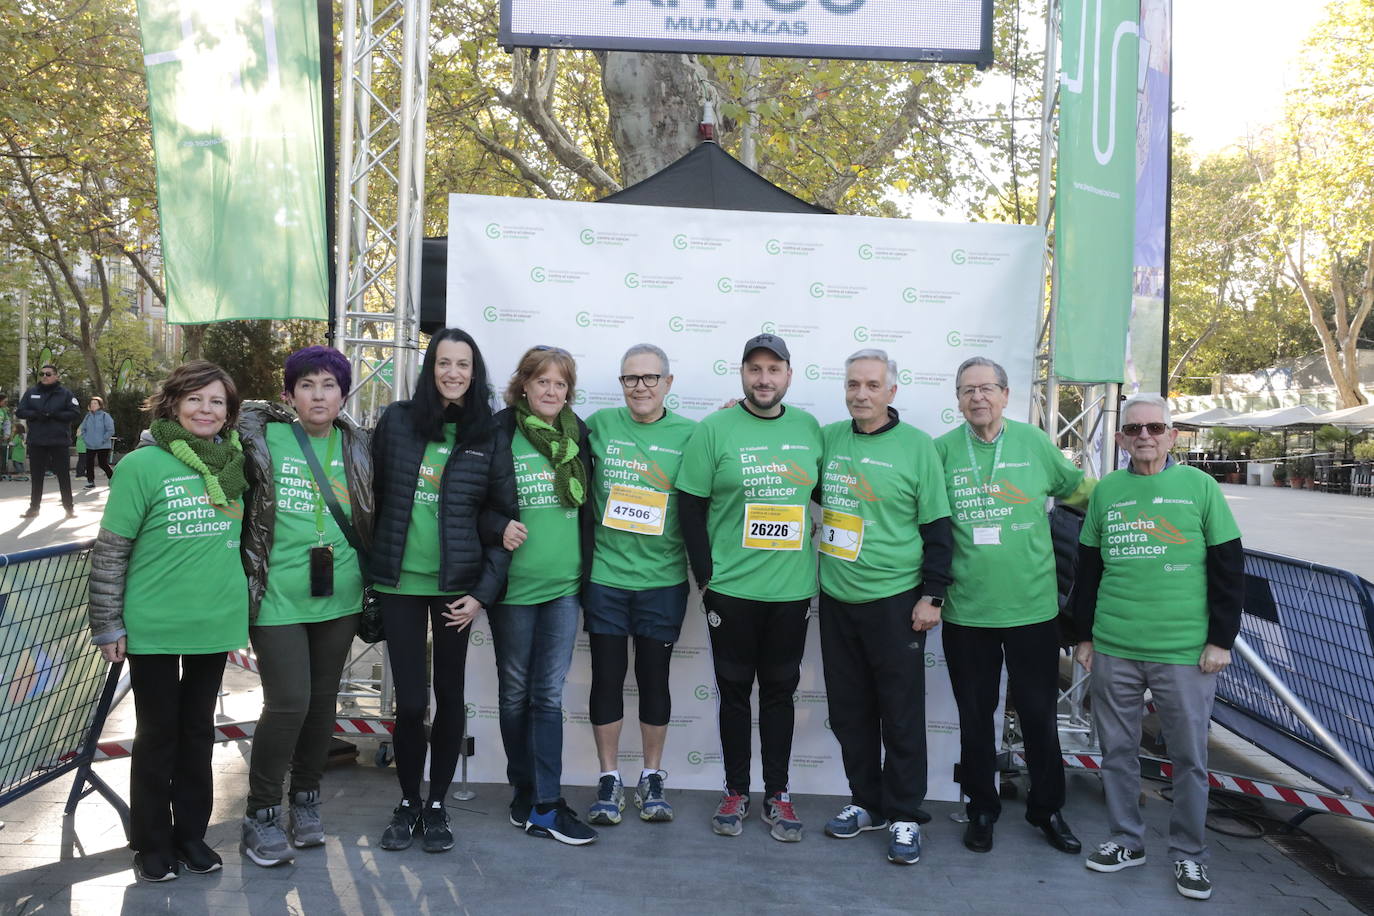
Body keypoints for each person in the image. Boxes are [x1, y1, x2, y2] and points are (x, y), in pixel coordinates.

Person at [1073, 395, 1243, 902]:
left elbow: (1229, 570)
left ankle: (1189, 855)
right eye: (1133, 429)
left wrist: (1221, 641)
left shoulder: (1201, 487)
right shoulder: (1107, 492)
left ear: (1173, 435)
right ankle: (1127, 840)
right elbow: (1089, 571)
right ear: (1121, 438)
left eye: (1155, 427)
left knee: (1189, 757)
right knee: (1117, 751)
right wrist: (1084, 637)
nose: (1144, 435)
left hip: (1185, 652)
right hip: (1115, 646)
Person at [86, 360, 249, 882]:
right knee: (157, 735)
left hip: (214, 621)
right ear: (174, 403)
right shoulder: (142, 465)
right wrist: (107, 624)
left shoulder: (234, 463)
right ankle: (152, 843)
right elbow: (111, 552)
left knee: (200, 732)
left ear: (229, 413)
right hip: (153, 623)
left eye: (217, 401)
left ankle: (192, 837)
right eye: (195, 399)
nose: (206, 410)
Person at [933, 356, 1089, 856]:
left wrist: (1140, 498)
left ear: (1004, 395)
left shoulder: (1035, 444)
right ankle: (981, 808)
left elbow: (1083, 492)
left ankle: (1048, 809)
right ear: (957, 399)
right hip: (966, 613)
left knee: (1040, 716)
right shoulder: (939, 452)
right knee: (975, 719)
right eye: (967, 390)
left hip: (1033, 613)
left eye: (987, 388)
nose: (977, 397)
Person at [370, 328, 518, 853]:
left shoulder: (487, 433)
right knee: (411, 703)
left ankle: (436, 805)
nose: (453, 373)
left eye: (463, 364)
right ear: (430, 367)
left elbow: (504, 520)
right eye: (444, 363)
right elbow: (373, 495)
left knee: (451, 696)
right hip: (400, 585)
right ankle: (407, 800)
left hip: (457, 590)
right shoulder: (397, 421)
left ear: (475, 373)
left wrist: (482, 594)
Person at [677, 333, 823, 842]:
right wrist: (707, 579)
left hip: (791, 592)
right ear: (742, 374)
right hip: (732, 592)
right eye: (754, 369)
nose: (764, 379)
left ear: (789, 374)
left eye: (774, 369)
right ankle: (736, 790)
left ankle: (778, 794)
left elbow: (830, 493)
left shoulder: (809, 429)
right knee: (735, 694)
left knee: (780, 693)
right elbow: (690, 506)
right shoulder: (715, 428)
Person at [237, 346, 374, 866]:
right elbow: (210, 419)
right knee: (288, 702)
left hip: (339, 597)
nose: (319, 395)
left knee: (320, 704)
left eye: (329, 385)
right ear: (288, 395)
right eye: (307, 385)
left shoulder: (360, 444)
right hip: (277, 595)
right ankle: (262, 812)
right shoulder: (262, 436)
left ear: (344, 394)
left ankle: (307, 801)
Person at [817, 350, 952, 865]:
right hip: (837, 598)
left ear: (891, 392)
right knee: (849, 711)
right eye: (853, 384)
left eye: (872, 385)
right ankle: (865, 802)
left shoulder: (918, 447)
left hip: (897, 601)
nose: (861, 394)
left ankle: (902, 814)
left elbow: (938, 531)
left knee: (899, 713)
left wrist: (931, 595)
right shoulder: (828, 438)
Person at [583, 343, 697, 826]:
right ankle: (609, 778)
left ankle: (653, 776)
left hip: (664, 581)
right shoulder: (599, 425)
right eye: (631, 379)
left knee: (655, 681)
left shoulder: (692, 434)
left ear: (668, 383)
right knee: (606, 679)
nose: (641, 388)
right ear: (621, 384)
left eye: (650, 378)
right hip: (606, 578)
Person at [490, 345, 598, 846]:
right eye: (543, 382)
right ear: (524, 385)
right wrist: (496, 525)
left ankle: (547, 802)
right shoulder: (498, 432)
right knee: (514, 693)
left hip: (564, 589)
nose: (552, 391)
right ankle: (524, 788)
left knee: (547, 694)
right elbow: (469, 500)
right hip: (512, 589)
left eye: (561, 384)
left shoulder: (580, 436)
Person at [16, 364, 80, 518]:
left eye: (48, 374)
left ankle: (69, 508)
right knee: (37, 477)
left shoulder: (65, 393)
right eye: (42, 373)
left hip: (59, 441)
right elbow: (20, 411)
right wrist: (36, 414)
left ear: (56, 376)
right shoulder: (31, 392)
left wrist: (54, 414)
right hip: (37, 441)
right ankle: (34, 508)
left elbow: (74, 412)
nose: (45, 376)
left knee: (63, 476)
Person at [78, 396, 116, 488]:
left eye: (95, 403)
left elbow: (110, 430)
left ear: (100, 405)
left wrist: (102, 439)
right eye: (91, 403)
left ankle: (113, 479)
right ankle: (90, 482)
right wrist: (86, 439)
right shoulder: (87, 417)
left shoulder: (105, 416)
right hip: (90, 445)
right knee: (89, 463)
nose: (93, 405)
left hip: (103, 445)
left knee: (102, 463)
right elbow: (82, 429)